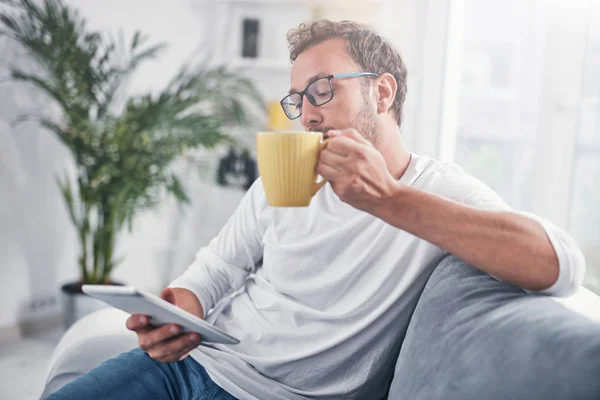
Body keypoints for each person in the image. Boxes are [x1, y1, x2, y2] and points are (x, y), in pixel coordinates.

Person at [47, 20, 586, 400]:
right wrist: (176, 314)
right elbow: (219, 268)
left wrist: (387, 199)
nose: (304, 115)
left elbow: (560, 264)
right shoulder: (285, 179)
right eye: (297, 98)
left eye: (322, 91)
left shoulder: (434, 191)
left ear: (382, 92)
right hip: (187, 368)